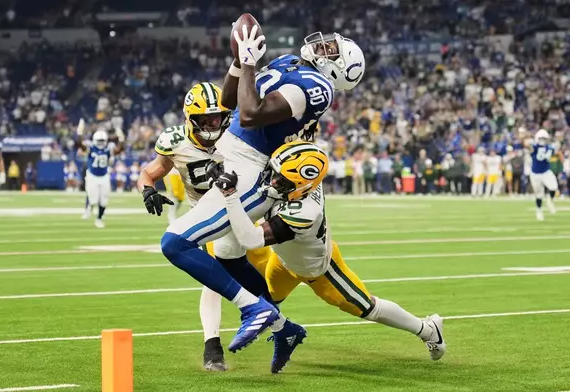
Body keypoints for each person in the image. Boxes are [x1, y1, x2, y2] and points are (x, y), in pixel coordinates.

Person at [159, 26, 366, 354]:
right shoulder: (290, 62)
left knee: (174, 244)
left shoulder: (319, 86)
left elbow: (252, 116)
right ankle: (284, 329)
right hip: (233, 161)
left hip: (250, 170)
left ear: (339, 70)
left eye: (333, 52)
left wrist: (252, 62)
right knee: (227, 256)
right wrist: (239, 63)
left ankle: (253, 308)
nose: (324, 48)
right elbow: (229, 101)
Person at [213, 141, 446, 373]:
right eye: (275, 174)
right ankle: (287, 337)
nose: (273, 182)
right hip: (283, 261)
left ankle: (427, 329)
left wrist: (230, 195)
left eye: (281, 181)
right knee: (265, 305)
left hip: (318, 269)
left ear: (302, 185)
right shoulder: (302, 179)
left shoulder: (304, 212)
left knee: (366, 307)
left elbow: (252, 239)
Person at [140, 82, 272, 371]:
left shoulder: (237, 138)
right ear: (190, 119)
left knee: (258, 278)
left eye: (217, 118)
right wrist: (147, 190)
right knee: (213, 279)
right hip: (205, 214)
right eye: (205, 120)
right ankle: (213, 347)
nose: (213, 125)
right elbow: (150, 172)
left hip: (242, 211)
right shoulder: (176, 141)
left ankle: (272, 317)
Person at [77, 122, 125, 228]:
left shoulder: (108, 149)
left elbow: (119, 150)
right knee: (92, 197)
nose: (100, 143)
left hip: (104, 176)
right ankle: (88, 209)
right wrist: (79, 133)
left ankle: (99, 218)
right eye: (99, 140)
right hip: (92, 175)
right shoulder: (91, 147)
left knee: (104, 199)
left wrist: (121, 139)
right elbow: (80, 145)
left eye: (102, 141)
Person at [528, 129, 561, 221]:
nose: (542, 140)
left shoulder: (550, 147)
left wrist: (558, 142)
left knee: (554, 188)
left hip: (546, 172)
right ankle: (539, 211)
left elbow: (556, 148)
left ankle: (550, 200)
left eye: (544, 138)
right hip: (535, 174)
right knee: (539, 195)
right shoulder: (534, 147)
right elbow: (528, 145)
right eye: (541, 138)